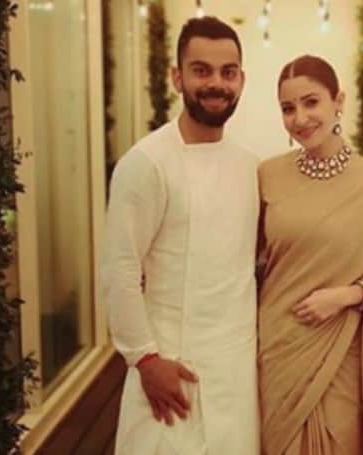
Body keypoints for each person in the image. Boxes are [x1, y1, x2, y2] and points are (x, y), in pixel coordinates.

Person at [101, 16, 259, 455]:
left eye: (228, 72)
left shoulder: (250, 165)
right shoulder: (145, 163)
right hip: (170, 369)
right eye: (201, 70)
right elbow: (119, 269)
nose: (216, 84)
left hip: (236, 370)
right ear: (177, 77)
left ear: (242, 81)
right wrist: (145, 359)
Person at [257, 55, 363, 455]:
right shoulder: (267, 176)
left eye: (311, 102)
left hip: (341, 352)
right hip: (278, 346)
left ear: (339, 101)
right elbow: (251, 261)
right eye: (287, 108)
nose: (300, 118)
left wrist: (347, 296)